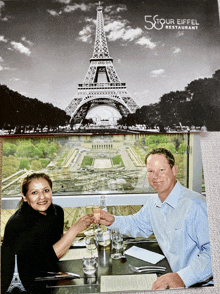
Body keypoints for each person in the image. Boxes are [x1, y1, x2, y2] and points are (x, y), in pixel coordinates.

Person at [96, 148, 213, 290]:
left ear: (174, 170)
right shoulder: (153, 203)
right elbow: (137, 224)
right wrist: (113, 221)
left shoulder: (196, 206)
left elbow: (213, 253)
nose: (155, 176)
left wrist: (183, 277)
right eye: (150, 171)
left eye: (161, 170)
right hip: (173, 276)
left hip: (201, 284)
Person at [1, 172, 93, 294]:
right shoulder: (19, 223)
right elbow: (49, 257)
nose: (42, 197)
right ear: (24, 196)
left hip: (46, 275)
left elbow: (56, 247)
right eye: (34, 192)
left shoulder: (57, 212)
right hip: (22, 284)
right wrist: (75, 229)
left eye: (46, 190)